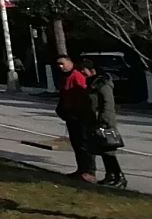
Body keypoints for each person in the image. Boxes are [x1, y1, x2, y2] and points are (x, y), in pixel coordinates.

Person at [55, 54, 97, 182]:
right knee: (76, 144)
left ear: (70, 62)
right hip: (71, 116)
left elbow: (83, 95)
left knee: (84, 144)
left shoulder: (77, 76)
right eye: (58, 64)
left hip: (81, 116)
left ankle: (89, 171)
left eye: (62, 63)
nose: (60, 66)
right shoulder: (65, 78)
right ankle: (81, 169)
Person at [85, 63, 128, 188]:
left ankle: (119, 176)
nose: (83, 73)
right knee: (103, 150)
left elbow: (108, 103)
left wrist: (105, 120)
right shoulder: (93, 82)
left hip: (105, 121)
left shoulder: (103, 84)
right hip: (96, 120)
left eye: (84, 70)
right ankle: (110, 175)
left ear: (92, 70)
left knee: (109, 151)